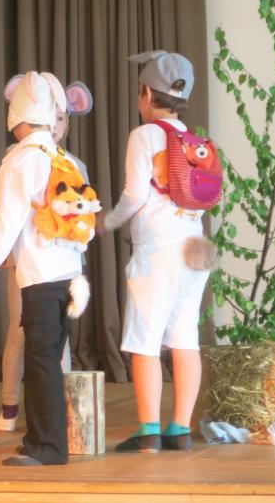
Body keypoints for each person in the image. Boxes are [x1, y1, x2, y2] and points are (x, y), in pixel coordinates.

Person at [0, 71, 84, 466]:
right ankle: (38, 438)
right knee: (48, 359)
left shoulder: (21, 159)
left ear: (17, 117)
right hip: (67, 274)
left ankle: (49, 447)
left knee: (40, 362)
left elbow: (6, 223)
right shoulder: (63, 159)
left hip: (40, 276)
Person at [100, 50, 209, 453]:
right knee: (185, 338)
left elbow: (134, 194)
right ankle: (179, 429)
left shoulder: (144, 135)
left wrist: (109, 221)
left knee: (144, 338)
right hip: (193, 246)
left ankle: (148, 430)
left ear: (146, 94)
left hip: (158, 250)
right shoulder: (194, 140)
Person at [0, 79, 94, 433]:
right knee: (20, 332)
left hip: (61, 265)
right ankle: (10, 405)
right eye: (49, 117)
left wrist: (76, 252)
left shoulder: (72, 164)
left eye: (61, 118)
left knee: (56, 339)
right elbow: (8, 216)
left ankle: (58, 412)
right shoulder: (18, 158)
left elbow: (83, 216)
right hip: (25, 263)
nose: (54, 125)